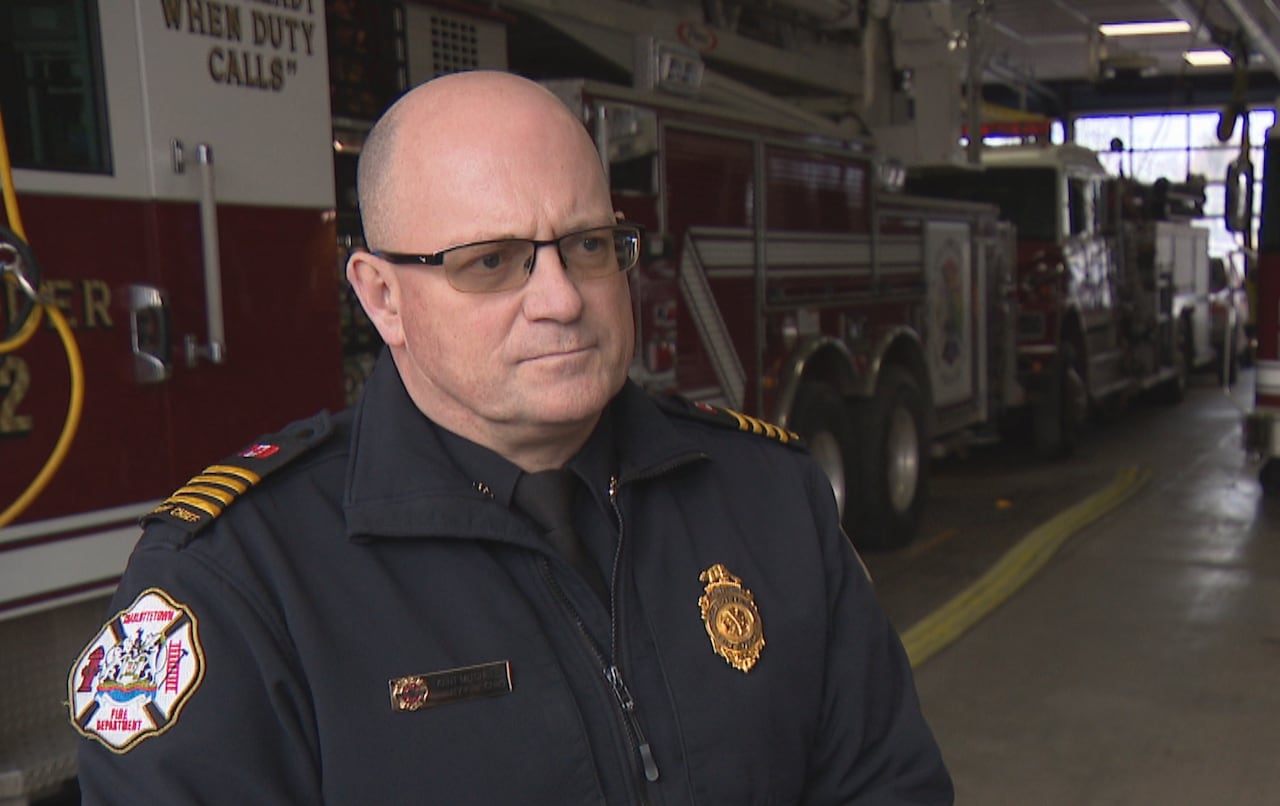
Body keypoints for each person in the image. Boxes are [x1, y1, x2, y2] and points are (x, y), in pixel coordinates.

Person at [68, 70, 953, 804]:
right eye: (490, 262)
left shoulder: (770, 496)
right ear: (382, 297)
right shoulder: (240, 585)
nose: (562, 298)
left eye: (589, 245)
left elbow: (889, 787)